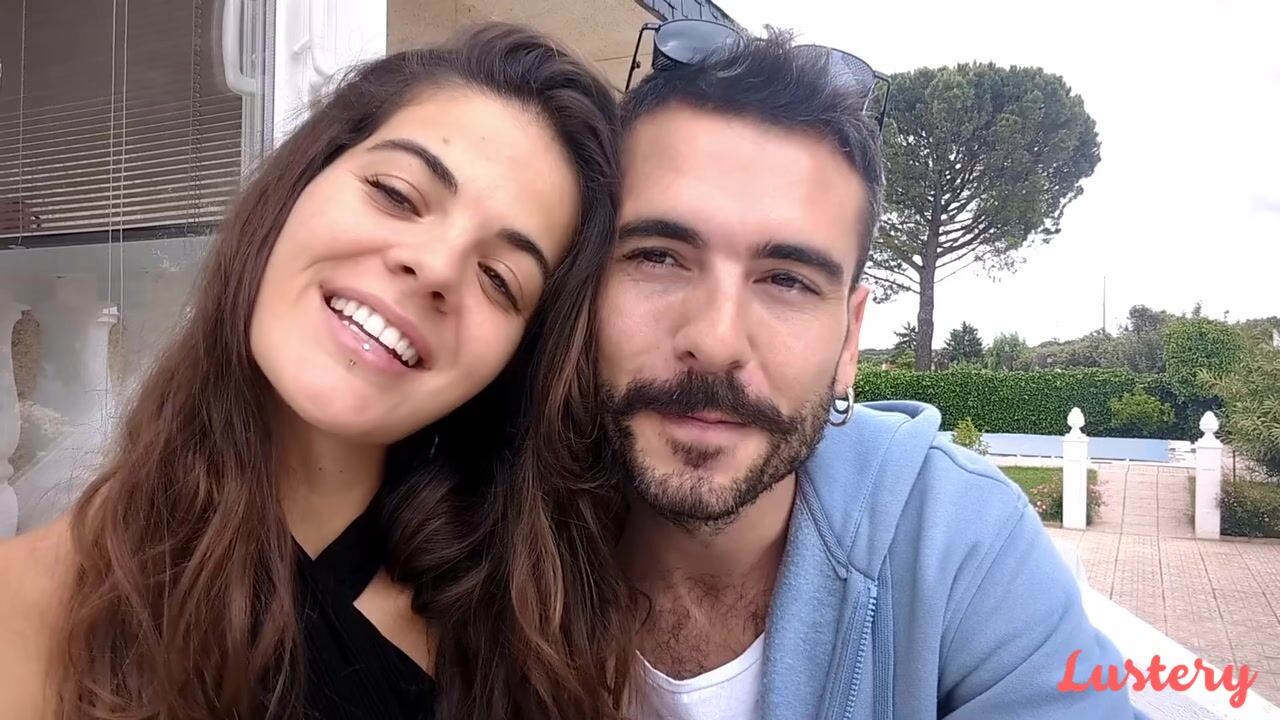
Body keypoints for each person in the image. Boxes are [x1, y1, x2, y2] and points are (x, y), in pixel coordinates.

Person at [0, 23, 632, 720]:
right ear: (296, 187)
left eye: (499, 277)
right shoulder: (28, 618)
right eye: (396, 193)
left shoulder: (527, 648)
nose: (435, 267)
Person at [600, 25, 1142, 718]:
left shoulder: (963, 545)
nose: (715, 340)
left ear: (851, 337)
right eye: (658, 257)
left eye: (788, 280)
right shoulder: (486, 513)